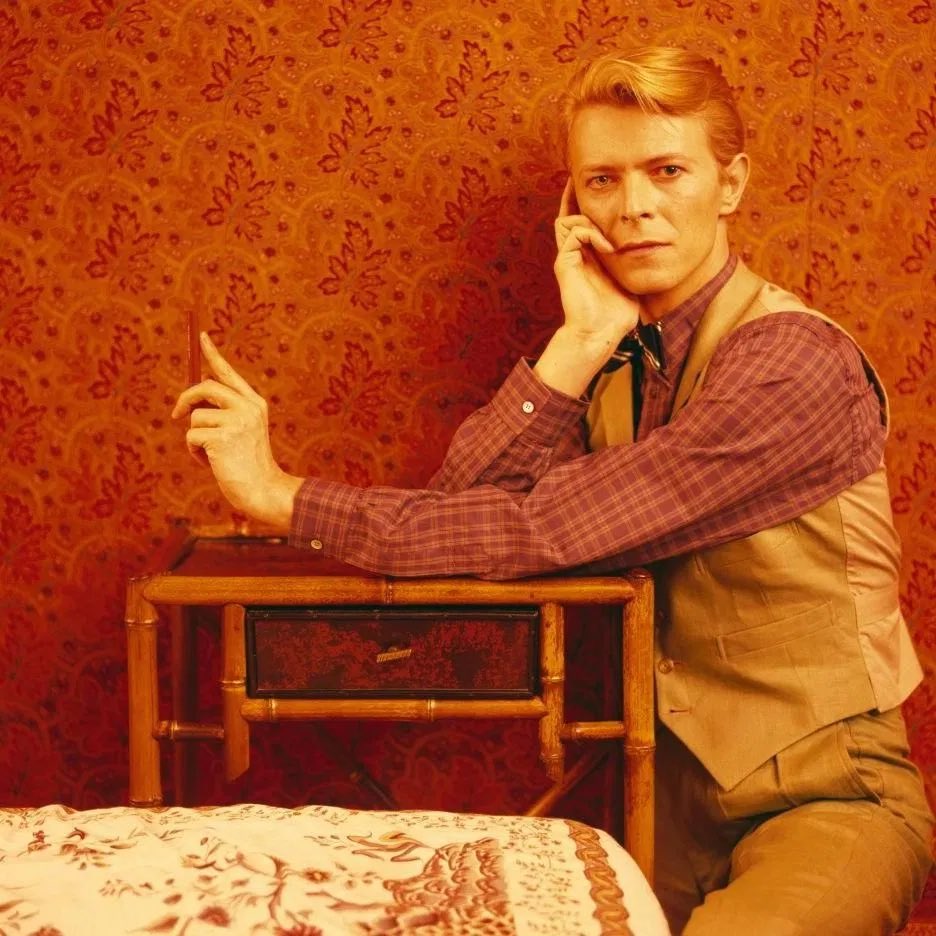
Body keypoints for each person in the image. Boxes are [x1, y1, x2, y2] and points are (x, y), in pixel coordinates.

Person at [172, 46, 933, 935]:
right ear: (575, 206)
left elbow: (539, 529)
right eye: (602, 180)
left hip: (825, 801)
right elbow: (468, 504)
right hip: (654, 814)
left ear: (730, 186)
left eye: (668, 171)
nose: (635, 206)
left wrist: (281, 495)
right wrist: (578, 342)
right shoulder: (611, 362)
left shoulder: (792, 364)